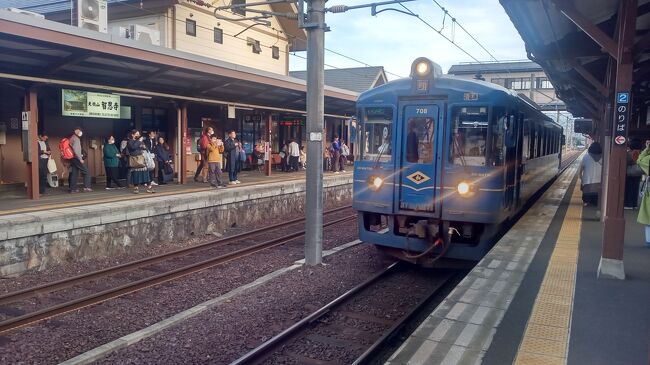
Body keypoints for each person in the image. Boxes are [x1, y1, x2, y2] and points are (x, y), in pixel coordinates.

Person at [127, 130, 154, 194]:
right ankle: (136, 188)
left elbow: (146, 149)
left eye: (138, 134)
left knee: (146, 173)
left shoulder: (140, 141)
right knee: (136, 174)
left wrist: (144, 147)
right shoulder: (130, 141)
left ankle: (149, 187)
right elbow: (133, 147)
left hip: (142, 159)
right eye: (136, 134)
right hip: (135, 160)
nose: (138, 135)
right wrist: (139, 141)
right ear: (132, 135)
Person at [578, 142, 602, 206]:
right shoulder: (603, 158)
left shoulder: (586, 157)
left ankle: (586, 202)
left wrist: (581, 178)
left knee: (586, 193)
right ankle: (595, 202)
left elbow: (581, 169)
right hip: (599, 182)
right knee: (596, 196)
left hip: (587, 182)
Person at [69, 127, 92, 193]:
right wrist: (80, 159)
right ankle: (87, 187)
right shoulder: (76, 139)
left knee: (74, 173)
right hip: (76, 158)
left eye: (81, 131)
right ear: (75, 131)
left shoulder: (72, 138)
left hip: (72, 158)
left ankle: (73, 189)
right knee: (87, 172)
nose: (80, 132)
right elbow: (76, 150)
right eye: (79, 131)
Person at [637, 140, 650, 247]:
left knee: (648, 216)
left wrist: (647, 149)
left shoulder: (648, 159)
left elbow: (639, 161)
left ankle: (649, 241)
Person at [624, 139, 643, 209]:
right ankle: (634, 204)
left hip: (629, 173)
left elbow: (626, 161)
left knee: (629, 189)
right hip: (638, 173)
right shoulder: (641, 153)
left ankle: (629, 204)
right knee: (635, 189)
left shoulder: (630, 153)